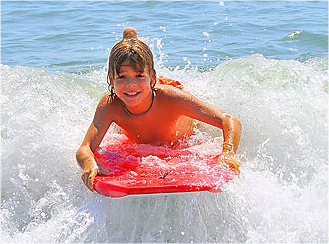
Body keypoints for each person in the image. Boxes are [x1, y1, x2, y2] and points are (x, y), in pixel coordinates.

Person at [76, 27, 242, 192]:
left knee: (140, 65)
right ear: (111, 79)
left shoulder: (172, 99)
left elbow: (229, 120)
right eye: (121, 77)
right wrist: (88, 163)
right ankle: (131, 41)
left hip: (164, 97)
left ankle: (134, 44)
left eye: (139, 76)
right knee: (131, 58)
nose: (130, 84)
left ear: (152, 78)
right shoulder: (110, 105)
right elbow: (85, 149)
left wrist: (228, 153)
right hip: (146, 92)